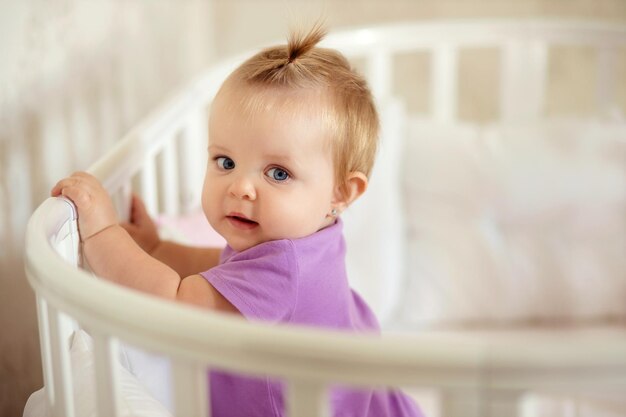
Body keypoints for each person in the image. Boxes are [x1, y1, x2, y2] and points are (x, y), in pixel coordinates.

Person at [51, 24, 423, 417]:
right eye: (225, 162)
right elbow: (224, 269)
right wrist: (156, 247)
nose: (241, 187)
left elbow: (175, 303)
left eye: (278, 173)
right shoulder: (308, 237)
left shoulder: (285, 267)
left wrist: (104, 232)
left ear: (340, 194)